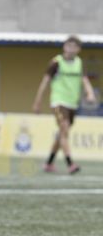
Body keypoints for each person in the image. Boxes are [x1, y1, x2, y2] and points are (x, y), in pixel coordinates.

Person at [32, 35, 96, 174]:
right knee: (64, 128)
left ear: (79, 49)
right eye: (69, 45)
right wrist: (37, 102)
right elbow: (44, 82)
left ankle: (49, 163)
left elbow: (84, 80)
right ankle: (70, 163)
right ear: (64, 47)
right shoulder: (56, 62)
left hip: (73, 104)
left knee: (62, 133)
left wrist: (90, 93)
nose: (71, 48)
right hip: (59, 102)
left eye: (74, 46)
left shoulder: (79, 63)